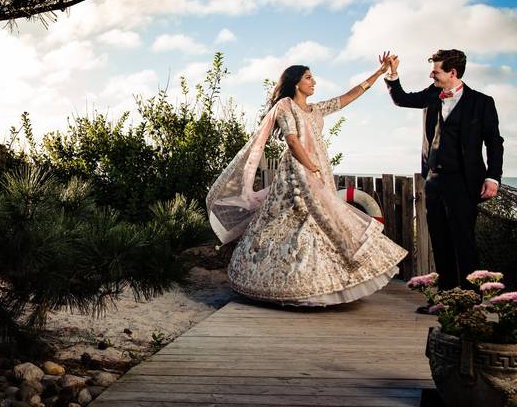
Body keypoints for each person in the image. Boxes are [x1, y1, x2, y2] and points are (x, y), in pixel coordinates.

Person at [206, 58, 407, 305]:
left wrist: (380, 72)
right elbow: (292, 140)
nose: (314, 82)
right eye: (309, 78)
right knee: (295, 220)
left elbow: (349, 96)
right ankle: (284, 284)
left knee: (319, 223)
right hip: (297, 171)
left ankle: (322, 286)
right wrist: (310, 166)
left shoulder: (316, 109)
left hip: (318, 169)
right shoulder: (285, 106)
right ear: (296, 83)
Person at [383, 49, 504, 290]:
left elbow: (494, 142)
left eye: (436, 71)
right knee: (439, 240)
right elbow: (402, 99)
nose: (431, 75)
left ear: (453, 72)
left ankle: (470, 298)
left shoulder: (482, 102)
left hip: (465, 181)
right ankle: (445, 296)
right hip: (435, 180)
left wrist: (493, 177)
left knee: (464, 241)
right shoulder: (432, 95)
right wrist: (393, 74)